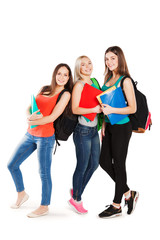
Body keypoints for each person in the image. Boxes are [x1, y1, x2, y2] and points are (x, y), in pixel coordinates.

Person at [8, 63, 73, 218]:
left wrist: (33, 121)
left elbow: (53, 117)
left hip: (45, 137)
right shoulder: (45, 88)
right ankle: (21, 194)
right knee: (12, 164)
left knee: (44, 173)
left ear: (69, 78)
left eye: (65, 75)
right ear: (54, 74)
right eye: (59, 73)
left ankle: (44, 206)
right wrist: (29, 117)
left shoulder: (65, 94)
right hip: (30, 134)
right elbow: (30, 108)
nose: (61, 77)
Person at [98, 46, 139, 218]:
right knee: (104, 162)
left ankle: (116, 205)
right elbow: (103, 106)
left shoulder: (125, 80)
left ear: (120, 59)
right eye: (107, 59)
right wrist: (105, 126)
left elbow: (132, 108)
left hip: (123, 127)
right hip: (110, 127)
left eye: (113, 58)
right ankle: (129, 193)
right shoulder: (107, 79)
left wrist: (112, 109)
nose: (109, 62)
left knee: (119, 163)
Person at [68, 56, 102, 214]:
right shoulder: (79, 85)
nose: (87, 66)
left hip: (94, 130)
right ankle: (76, 198)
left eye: (89, 63)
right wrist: (93, 110)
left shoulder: (94, 82)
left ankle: (76, 190)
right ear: (78, 68)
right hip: (82, 131)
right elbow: (75, 109)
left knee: (94, 164)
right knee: (82, 166)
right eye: (83, 65)